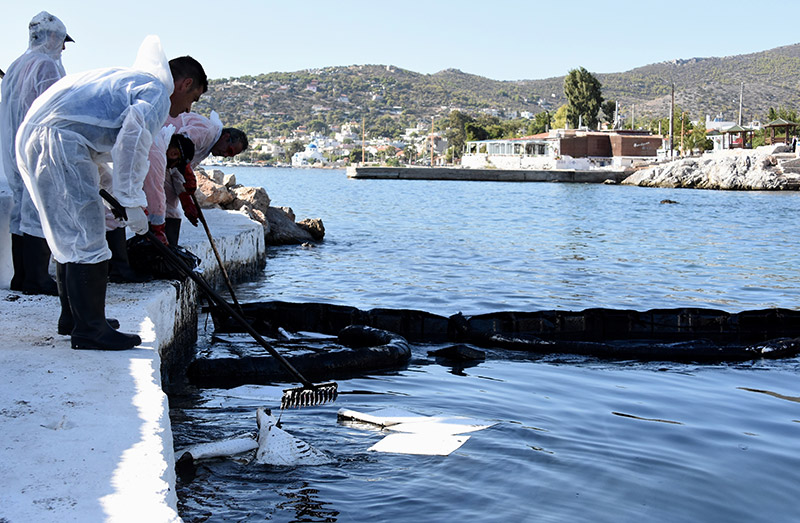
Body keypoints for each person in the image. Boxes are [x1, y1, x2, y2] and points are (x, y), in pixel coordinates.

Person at [16, 36, 207, 351]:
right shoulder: (156, 93)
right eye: (193, 99)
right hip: (58, 143)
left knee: (70, 238)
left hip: (41, 138)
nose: (187, 108)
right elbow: (132, 145)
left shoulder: (130, 83)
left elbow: (101, 148)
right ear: (185, 84)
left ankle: (75, 319)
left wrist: (115, 196)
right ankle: (90, 330)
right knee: (87, 237)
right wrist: (133, 203)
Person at [0, 12, 73, 295]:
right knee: (42, 209)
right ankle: (38, 279)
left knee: (21, 209)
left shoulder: (17, 64)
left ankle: (22, 277)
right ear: (52, 37)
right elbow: (57, 110)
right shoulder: (46, 66)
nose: (64, 48)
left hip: (13, 146)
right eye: (63, 40)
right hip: (39, 148)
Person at [159, 111, 248, 245]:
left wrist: (186, 200)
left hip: (164, 161)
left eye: (230, 156)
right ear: (226, 137)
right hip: (157, 151)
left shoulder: (206, 149)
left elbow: (177, 171)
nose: (225, 155)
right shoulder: (207, 131)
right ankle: (161, 247)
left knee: (171, 208)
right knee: (162, 206)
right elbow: (181, 145)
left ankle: (169, 248)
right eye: (229, 150)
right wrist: (188, 173)